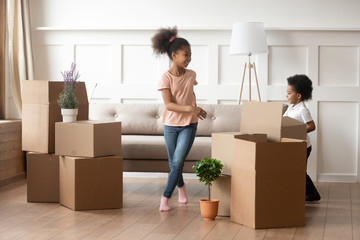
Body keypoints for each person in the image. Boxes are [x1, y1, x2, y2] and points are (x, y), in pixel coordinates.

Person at [151, 27, 207, 211]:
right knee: (174, 163)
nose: (189, 58)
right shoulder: (165, 78)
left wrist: (196, 109)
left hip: (189, 125)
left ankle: (165, 197)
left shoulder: (192, 75)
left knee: (177, 162)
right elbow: (169, 105)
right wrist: (191, 107)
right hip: (170, 125)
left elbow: (190, 92)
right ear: (174, 55)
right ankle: (182, 187)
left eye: (190, 55)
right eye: (186, 55)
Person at [284, 74, 321, 202]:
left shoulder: (302, 110)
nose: (286, 96)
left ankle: (312, 194)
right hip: (293, 144)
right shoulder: (291, 107)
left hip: (304, 146)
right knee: (295, 170)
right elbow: (285, 121)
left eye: (289, 93)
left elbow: (312, 126)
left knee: (300, 171)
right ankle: (302, 192)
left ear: (298, 96)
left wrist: (297, 130)